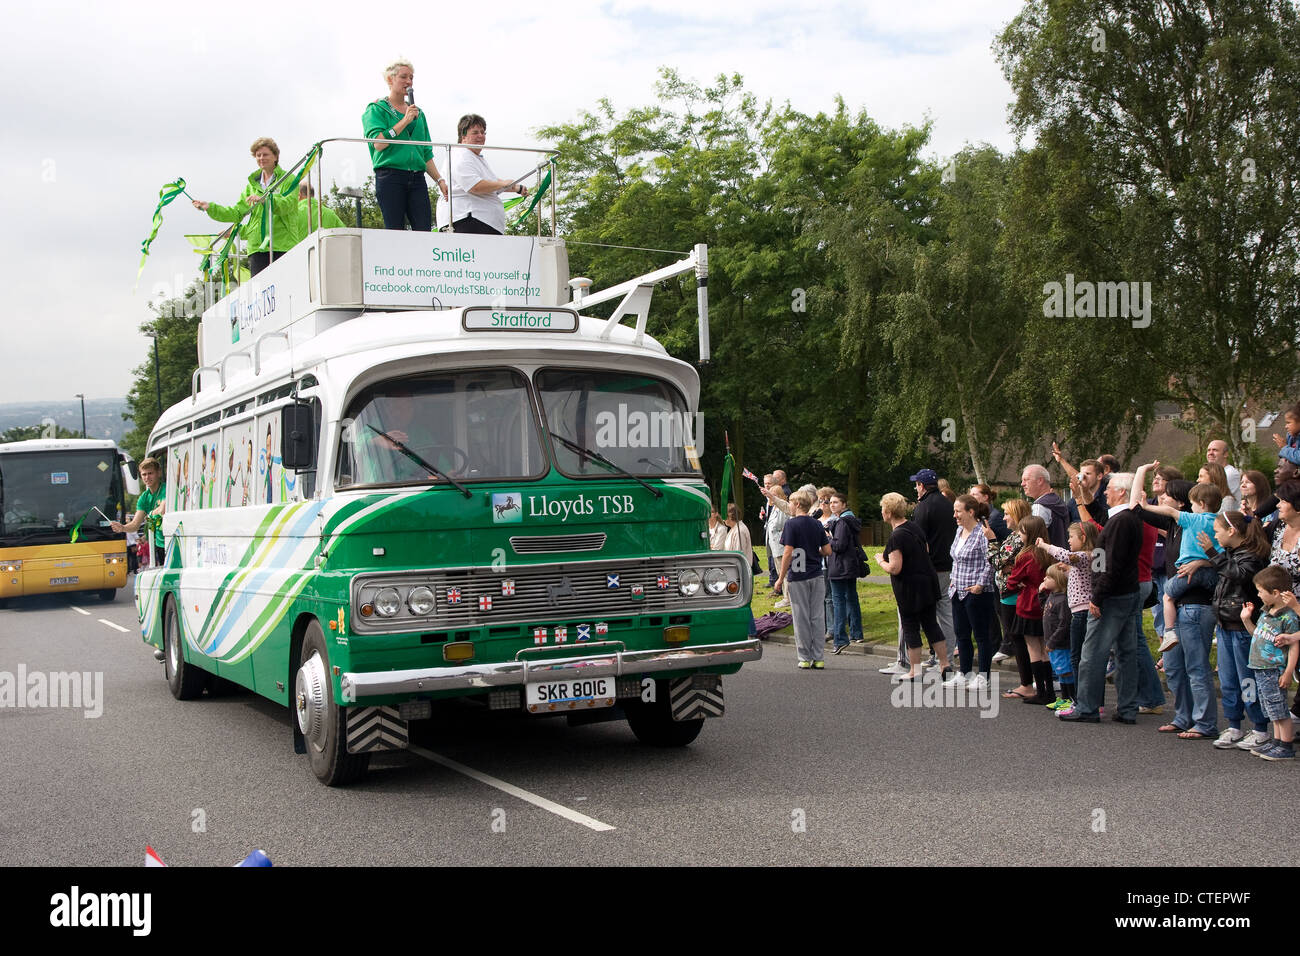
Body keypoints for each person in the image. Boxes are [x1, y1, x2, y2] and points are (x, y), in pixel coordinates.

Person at [1059, 473, 1145, 724]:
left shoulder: (1120, 523)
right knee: (1126, 652)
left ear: (1121, 492)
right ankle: (1128, 708)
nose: (1105, 492)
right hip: (1127, 592)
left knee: (1092, 652)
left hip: (1112, 596)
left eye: (1109, 489)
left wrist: (1097, 596)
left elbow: (1110, 564)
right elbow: (1100, 517)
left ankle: (1086, 706)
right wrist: (1080, 498)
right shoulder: (1125, 519)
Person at [1198, 512, 1271, 750]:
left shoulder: (1251, 556)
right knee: (1229, 681)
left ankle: (1260, 728)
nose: (1215, 536)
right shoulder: (1230, 554)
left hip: (1242, 629)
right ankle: (1234, 725)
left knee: (1247, 681)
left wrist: (1212, 553)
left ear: (1231, 531)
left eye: (1218, 531)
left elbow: (1239, 575)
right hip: (1225, 626)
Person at [1137, 475, 1223, 653]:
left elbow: (1170, 512)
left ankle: (1168, 632)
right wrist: (1204, 562)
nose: (1192, 507)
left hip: (1188, 573)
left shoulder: (1193, 520)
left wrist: (1145, 505)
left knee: (1167, 595)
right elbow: (1224, 554)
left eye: (1193, 503)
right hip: (1211, 576)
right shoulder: (1219, 523)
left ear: (1202, 503)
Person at [193, 137, 302, 276]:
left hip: (283, 244)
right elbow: (237, 212)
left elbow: (289, 205)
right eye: (258, 155)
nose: (261, 158)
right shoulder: (252, 186)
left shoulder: (288, 179)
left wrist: (265, 200)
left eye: (265, 154)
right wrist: (210, 207)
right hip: (257, 248)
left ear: (276, 156)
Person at [362, 59, 449, 231]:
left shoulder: (419, 114)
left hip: (417, 178)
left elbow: (425, 153)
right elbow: (378, 143)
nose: (409, 82)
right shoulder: (376, 109)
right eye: (403, 77)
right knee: (395, 230)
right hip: (390, 176)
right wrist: (404, 121)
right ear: (390, 79)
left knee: (424, 229)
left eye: (411, 77)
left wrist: (439, 179)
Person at [876, 492, 950, 681]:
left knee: (910, 627)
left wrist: (880, 562)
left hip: (909, 587)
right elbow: (925, 550)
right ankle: (945, 664)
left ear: (889, 512)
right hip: (927, 581)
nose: (882, 512)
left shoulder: (896, 536)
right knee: (931, 624)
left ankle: (914, 670)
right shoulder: (915, 528)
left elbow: (895, 567)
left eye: (883, 508)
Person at [1036, 520, 1097, 714]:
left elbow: (1067, 555)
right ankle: (1081, 701)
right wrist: (1069, 570)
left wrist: (1045, 545)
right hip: (1079, 611)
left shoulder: (1087, 555)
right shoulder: (1086, 558)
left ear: (1083, 538)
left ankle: (1079, 701)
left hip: (1082, 612)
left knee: (1077, 657)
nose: (1068, 540)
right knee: (1079, 658)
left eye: (1071, 537)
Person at [1239, 567, 1300, 760]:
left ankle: (1286, 746)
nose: (1258, 595)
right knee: (1271, 709)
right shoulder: (1266, 612)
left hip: (1274, 669)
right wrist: (1246, 620)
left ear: (1275, 593)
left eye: (1260, 591)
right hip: (1260, 668)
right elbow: (1256, 634)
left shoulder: (1288, 617)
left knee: (1280, 709)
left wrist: (1288, 672)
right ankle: (1276, 741)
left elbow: (1294, 646)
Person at [439, 114, 528, 235]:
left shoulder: (474, 158)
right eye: (475, 132)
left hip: (481, 222)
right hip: (467, 220)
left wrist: (517, 188)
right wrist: (502, 183)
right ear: (463, 137)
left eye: (483, 132)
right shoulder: (460, 155)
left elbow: (491, 182)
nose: (481, 136)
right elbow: (474, 186)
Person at [774, 490, 831, 669]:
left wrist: (780, 578)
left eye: (790, 502)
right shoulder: (817, 524)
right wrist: (815, 551)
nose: (789, 506)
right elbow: (828, 551)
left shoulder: (792, 524)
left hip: (798, 575)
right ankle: (819, 657)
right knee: (817, 616)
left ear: (797, 504)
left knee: (801, 617)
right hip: (816, 574)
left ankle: (804, 657)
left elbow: (788, 552)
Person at [946, 494, 997, 689]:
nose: (955, 515)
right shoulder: (959, 531)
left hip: (976, 592)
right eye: (955, 511)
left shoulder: (982, 533)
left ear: (971, 512)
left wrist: (980, 585)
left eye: (958, 511)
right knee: (962, 634)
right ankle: (964, 673)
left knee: (981, 635)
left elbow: (990, 561)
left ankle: (984, 676)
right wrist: (952, 582)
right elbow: (956, 558)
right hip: (957, 589)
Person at [910, 469, 958, 667]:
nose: (915, 488)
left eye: (916, 484)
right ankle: (947, 658)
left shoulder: (924, 507)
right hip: (948, 564)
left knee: (928, 615)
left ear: (922, 485)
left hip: (930, 567)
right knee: (946, 613)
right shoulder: (948, 504)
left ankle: (939, 658)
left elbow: (919, 540)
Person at [1004, 516, 1054, 704]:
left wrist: (1016, 581)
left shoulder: (1026, 556)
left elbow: (1012, 581)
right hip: (1045, 602)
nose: (1019, 534)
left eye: (1022, 531)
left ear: (1030, 534)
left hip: (1028, 603)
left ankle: (1039, 690)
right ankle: (1049, 689)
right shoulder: (1048, 552)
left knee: (1033, 647)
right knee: (1044, 648)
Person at [988, 498, 1032, 671]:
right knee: (1017, 638)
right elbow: (1000, 564)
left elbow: (997, 561)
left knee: (1018, 638)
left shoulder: (1018, 537)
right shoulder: (1013, 536)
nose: (1004, 518)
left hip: (1013, 593)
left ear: (1017, 515)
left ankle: (1027, 682)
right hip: (1007, 591)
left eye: (1007, 514)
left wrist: (992, 541)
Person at [826, 491, 864, 654]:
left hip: (840, 566)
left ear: (844, 504)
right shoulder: (851, 520)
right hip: (850, 565)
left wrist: (827, 538)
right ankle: (856, 633)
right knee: (851, 598)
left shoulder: (842, 522)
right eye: (831, 502)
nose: (832, 505)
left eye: (835, 502)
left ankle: (840, 638)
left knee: (839, 601)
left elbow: (839, 545)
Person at [110, 457, 166, 569]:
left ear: (159, 473)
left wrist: (151, 513)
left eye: (150, 473)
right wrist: (122, 527)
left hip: (171, 541)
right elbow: (135, 524)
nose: (147, 477)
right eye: (144, 474)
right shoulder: (144, 498)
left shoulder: (166, 489)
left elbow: (163, 509)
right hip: (157, 544)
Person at [1038, 564, 1075, 709]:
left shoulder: (1063, 600)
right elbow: (1045, 608)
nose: (1044, 579)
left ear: (1058, 580)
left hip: (1061, 644)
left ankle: (1071, 698)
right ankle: (1064, 698)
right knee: (1060, 672)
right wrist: (1040, 593)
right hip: (1053, 644)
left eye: (1049, 577)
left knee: (1066, 672)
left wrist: (1052, 641)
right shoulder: (1052, 596)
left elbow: (1064, 624)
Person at [722, 503, 756, 638]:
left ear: (730, 516)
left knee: (743, 601)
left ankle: (751, 630)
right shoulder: (735, 529)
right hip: (735, 572)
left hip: (739, 572)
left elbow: (737, 554)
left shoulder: (740, 530)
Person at [1021, 463, 1068, 547]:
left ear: (1040, 480)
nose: (1022, 484)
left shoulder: (1040, 506)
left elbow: (1033, 539)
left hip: (1046, 557)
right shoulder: (1057, 501)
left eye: (1026, 480)